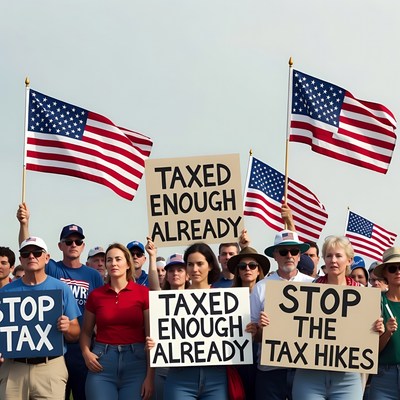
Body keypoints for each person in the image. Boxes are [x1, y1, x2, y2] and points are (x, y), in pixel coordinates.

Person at [17, 202, 104, 400]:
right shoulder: (53, 268)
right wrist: (24, 223)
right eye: (68, 241)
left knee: (83, 395)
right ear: (60, 246)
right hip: (53, 347)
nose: (73, 244)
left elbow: (100, 311)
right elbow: (28, 250)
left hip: (82, 347)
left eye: (77, 241)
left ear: (83, 245)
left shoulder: (93, 275)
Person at [291, 236, 383, 400]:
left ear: (349, 260)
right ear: (324, 259)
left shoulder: (364, 294)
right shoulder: (306, 290)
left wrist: (377, 330)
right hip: (309, 375)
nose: (333, 260)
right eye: (329, 255)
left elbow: (368, 338)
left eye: (338, 256)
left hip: (347, 378)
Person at [0, 236, 81, 400]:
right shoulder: (6, 292)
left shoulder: (61, 289)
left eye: (37, 252)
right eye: (26, 253)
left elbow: (75, 333)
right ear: (21, 258)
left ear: (47, 258)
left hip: (50, 366)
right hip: (13, 367)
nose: (31, 256)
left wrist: (68, 327)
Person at [80, 243, 153, 400]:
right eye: (109, 260)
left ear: (127, 264)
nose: (113, 263)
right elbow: (86, 332)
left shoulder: (144, 293)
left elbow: (150, 337)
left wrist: (150, 376)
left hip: (136, 364)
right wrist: (86, 353)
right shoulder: (96, 296)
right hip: (102, 363)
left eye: (118, 259)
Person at [250, 230, 313, 400]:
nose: (289, 256)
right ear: (275, 256)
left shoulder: (314, 285)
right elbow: (254, 337)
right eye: (284, 252)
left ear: (300, 256)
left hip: (304, 370)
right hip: (270, 371)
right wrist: (261, 329)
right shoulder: (261, 287)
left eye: (294, 251)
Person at [162, 242, 227, 399]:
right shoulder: (171, 300)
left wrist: (248, 329)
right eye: (190, 264)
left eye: (200, 264)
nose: (195, 269)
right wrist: (155, 342)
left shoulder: (225, 299)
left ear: (210, 265)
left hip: (216, 378)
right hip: (180, 377)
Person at [227, 246, 270, 400]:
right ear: (237, 271)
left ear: (259, 270)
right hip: (236, 358)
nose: (247, 269)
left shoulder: (269, 293)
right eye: (242, 266)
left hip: (261, 357)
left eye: (252, 266)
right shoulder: (226, 299)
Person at [369, 247, 400, 399]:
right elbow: (372, 351)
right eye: (393, 268)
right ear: (386, 274)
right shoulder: (376, 301)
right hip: (384, 377)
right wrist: (387, 333)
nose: (398, 272)